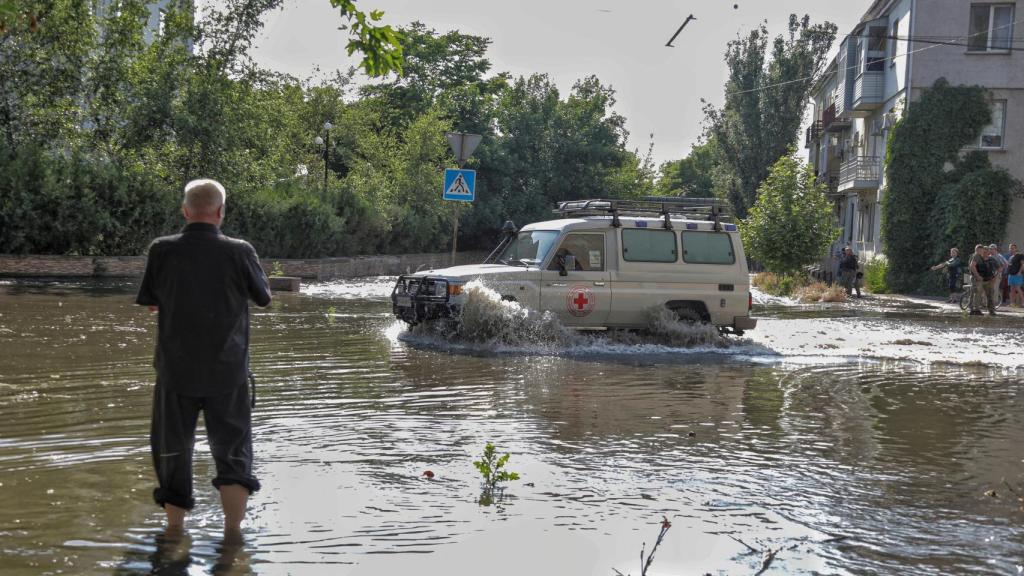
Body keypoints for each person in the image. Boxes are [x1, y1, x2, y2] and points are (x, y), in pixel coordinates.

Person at [136, 179, 272, 536]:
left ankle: (174, 532)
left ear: (185, 211)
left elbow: (151, 302)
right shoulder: (240, 251)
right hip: (227, 374)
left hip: (174, 372)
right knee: (233, 452)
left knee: (172, 451)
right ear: (220, 212)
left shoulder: (161, 250)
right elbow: (263, 298)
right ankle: (232, 537)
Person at [968, 244, 998, 316]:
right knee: (977, 294)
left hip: (989, 279)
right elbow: (972, 266)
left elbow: (1000, 268)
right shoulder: (977, 257)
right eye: (984, 251)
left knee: (990, 295)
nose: (985, 253)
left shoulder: (992, 259)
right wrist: (977, 276)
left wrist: (995, 277)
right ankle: (975, 310)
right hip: (979, 279)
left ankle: (991, 310)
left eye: (987, 251)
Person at [1007, 243, 1023, 307]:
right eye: (1010, 248)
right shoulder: (1011, 257)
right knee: (1012, 290)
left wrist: (1019, 272)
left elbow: (1022, 264)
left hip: (1017, 275)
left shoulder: (1020, 255)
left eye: (1013, 248)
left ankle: (1023, 302)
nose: (1011, 249)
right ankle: (1012, 303)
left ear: (1016, 249)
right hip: (1011, 275)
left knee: (1018, 288)